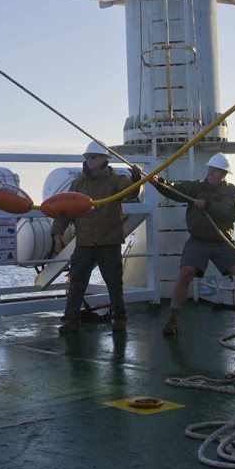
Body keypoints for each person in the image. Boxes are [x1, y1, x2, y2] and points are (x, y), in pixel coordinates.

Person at [151, 153, 235, 338]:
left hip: (222, 242)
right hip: (198, 241)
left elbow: (230, 214)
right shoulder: (195, 187)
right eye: (210, 169)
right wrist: (156, 181)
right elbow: (173, 190)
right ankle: (172, 319)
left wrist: (208, 205)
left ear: (224, 174)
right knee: (185, 274)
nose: (211, 173)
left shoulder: (234, 193)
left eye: (215, 170)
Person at [52, 142, 144, 334]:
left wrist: (136, 177)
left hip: (108, 241)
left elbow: (132, 192)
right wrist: (57, 230)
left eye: (92, 157)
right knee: (77, 282)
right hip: (84, 241)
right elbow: (67, 208)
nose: (89, 160)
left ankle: (120, 319)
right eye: (87, 157)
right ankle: (71, 321)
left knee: (114, 283)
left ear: (103, 159)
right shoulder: (78, 183)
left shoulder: (116, 180)